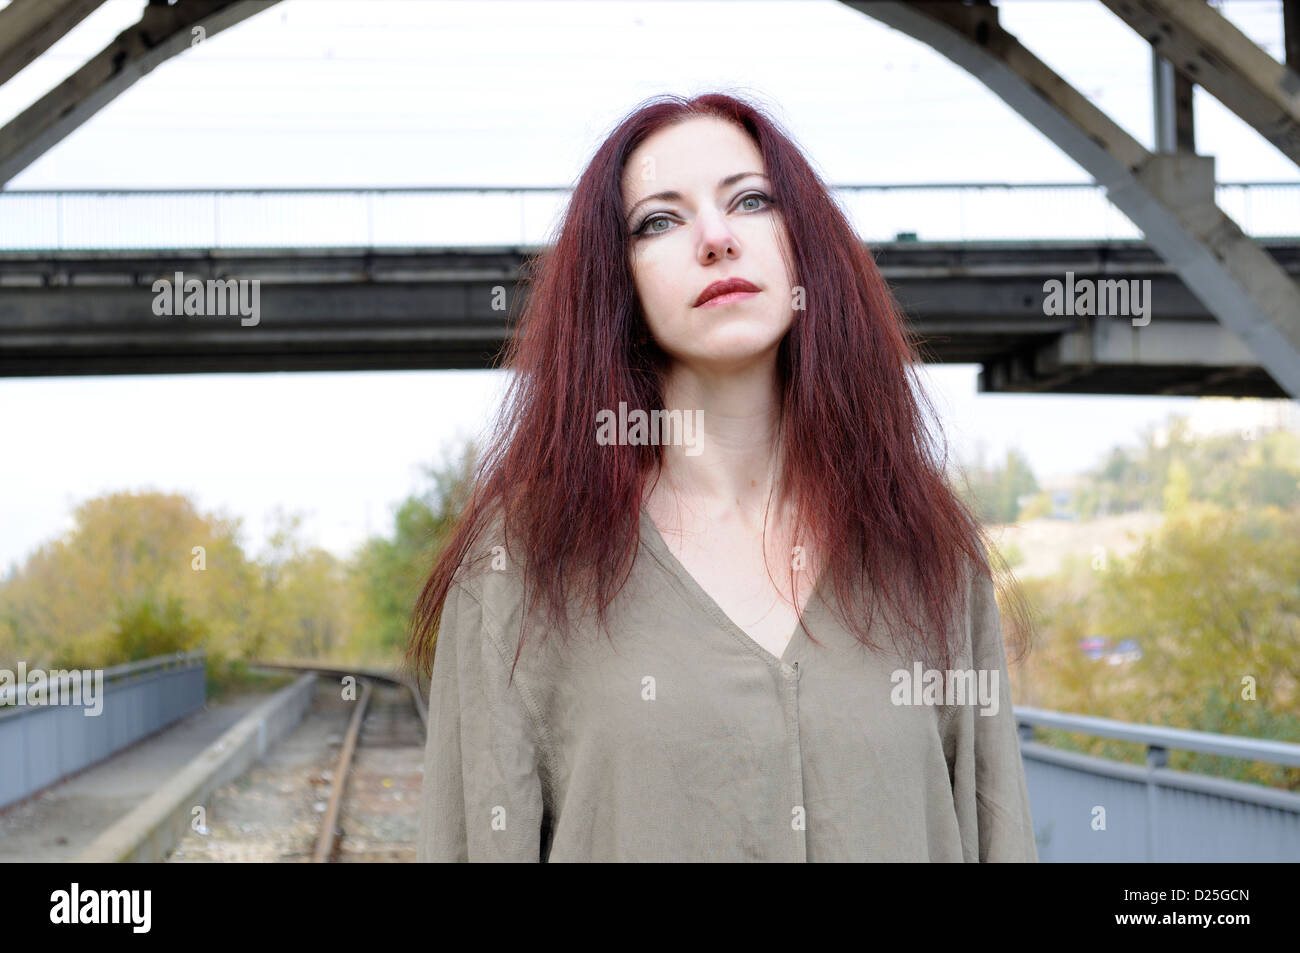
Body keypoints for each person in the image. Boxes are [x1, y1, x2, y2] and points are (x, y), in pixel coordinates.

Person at [409, 92, 1039, 862]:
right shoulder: (525, 558)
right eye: (659, 221)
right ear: (618, 286)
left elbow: (995, 833)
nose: (715, 238)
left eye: (751, 201)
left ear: (805, 244)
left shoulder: (923, 542)